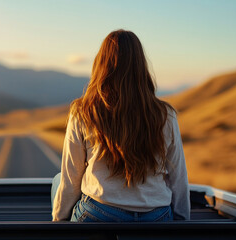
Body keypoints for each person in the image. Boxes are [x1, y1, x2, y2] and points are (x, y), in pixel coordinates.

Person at [52, 29, 190, 222]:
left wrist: (58, 222)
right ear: (141, 66)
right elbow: (178, 178)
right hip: (156, 217)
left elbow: (70, 178)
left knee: (58, 180)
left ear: (102, 64)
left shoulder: (84, 111)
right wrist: (183, 223)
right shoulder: (166, 114)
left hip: (100, 215)